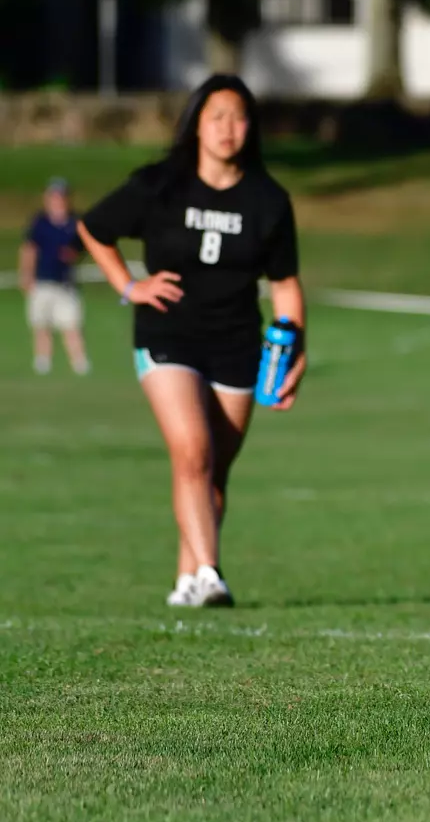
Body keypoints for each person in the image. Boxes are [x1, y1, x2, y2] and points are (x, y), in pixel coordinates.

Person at [78, 74, 307, 608]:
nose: (228, 129)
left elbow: (286, 286)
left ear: (251, 127)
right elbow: (94, 228)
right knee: (192, 451)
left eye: (239, 117)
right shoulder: (162, 184)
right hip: (168, 337)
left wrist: (295, 351)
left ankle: (186, 581)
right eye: (217, 117)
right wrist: (129, 285)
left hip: (236, 342)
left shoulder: (269, 199)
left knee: (213, 472)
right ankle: (210, 572)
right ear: (197, 124)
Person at [19, 177, 90, 375]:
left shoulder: (75, 221)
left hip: (66, 283)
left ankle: (80, 363)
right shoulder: (40, 222)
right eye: (54, 195)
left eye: (62, 195)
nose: (58, 199)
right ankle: (43, 362)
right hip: (42, 281)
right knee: (41, 325)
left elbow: (84, 246)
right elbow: (29, 249)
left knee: (71, 325)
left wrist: (75, 253)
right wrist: (26, 274)